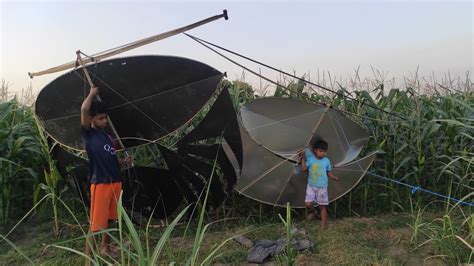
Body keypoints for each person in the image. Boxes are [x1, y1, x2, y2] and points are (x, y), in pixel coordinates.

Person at [81, 86, 131, 260]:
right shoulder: (89, 134)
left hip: (115, 182)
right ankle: (89, 261)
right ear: (92, 119)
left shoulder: (108, 138)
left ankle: (105, 248)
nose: (105, 121)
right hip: (101, 183)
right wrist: (92, 94)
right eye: (101, 118)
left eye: (106, 118)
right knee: (96, 225)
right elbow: (84, 109)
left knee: (110, 219)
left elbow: (111, 158)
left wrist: (123, 162)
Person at [299, 139, 338, 229]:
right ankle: (313, 212)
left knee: (322, 206)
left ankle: (324, 225)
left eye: (324, 152)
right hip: (311, 185)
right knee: (308, 204)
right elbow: (304, 169)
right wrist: (302, 158)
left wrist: (333, 177)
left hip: (322, 187)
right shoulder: (311, 159)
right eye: (320, 151)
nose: (322, 153)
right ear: (315, 150)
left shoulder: (326, 161)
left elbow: (328, 172)